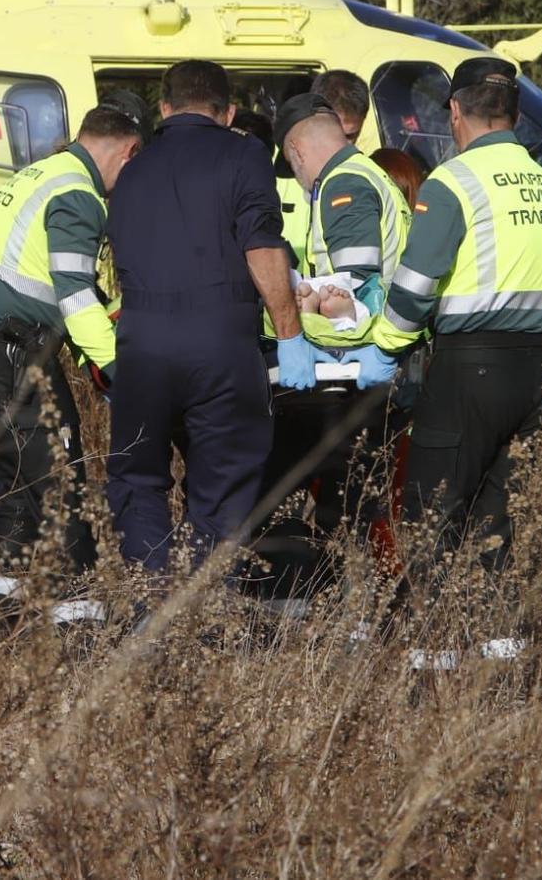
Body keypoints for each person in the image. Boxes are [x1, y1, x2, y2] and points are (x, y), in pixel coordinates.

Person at [371, 57, 542, 666]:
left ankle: (431, 668)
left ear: (454, 113)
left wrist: (383, 343)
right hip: (535, 375)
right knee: (498, 526)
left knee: (432, 516)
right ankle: (503, 667)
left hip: (469, 368)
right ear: (510, 113)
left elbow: (413, 287)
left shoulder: (454, 182)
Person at [104, 60, 320, 575]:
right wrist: (290, 334)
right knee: (221, 484)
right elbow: (262, 246)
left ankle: (151, 603)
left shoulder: (132, 170)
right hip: (220, 342)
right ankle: (206, 608)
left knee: (137, 478)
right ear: (227, 113)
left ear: (163, 108)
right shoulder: (244, 155)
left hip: (141, 346)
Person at [0, 102, 145, 622]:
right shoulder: (76, 193)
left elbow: (49, 281)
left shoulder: (36, 175)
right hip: (9, 349)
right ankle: (81, 622)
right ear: (130, 150)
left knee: (13, 482)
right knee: (60, 482)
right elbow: (74, 296)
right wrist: (124, 371)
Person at [254, 93, 410, 568]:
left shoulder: (344, 183)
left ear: (297, 151)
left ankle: (325, 597)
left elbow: (353, 292)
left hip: (350, 373)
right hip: (370, 370)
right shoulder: (368, 173)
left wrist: (291, 313)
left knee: (338, 497)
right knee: (356, 498)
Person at [279, 68, 372, 267]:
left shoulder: (362, 179)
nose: (341, 147)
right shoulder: (274, 171)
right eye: (334, 133)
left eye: (351, 136)